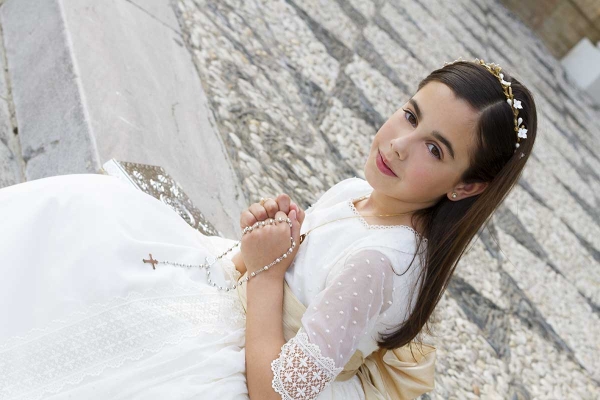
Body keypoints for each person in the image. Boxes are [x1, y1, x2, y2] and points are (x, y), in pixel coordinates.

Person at [0, 59, 536, 400]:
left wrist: (267, 272)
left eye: (435, 149)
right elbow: (301, 266)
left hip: (258, 363)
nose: (399, 144)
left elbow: (275, 392)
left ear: (466, 186)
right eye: (410, 115)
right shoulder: (359, 192)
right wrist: (273, 241)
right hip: (249, 310)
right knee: (89, 214)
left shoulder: (379, 263)